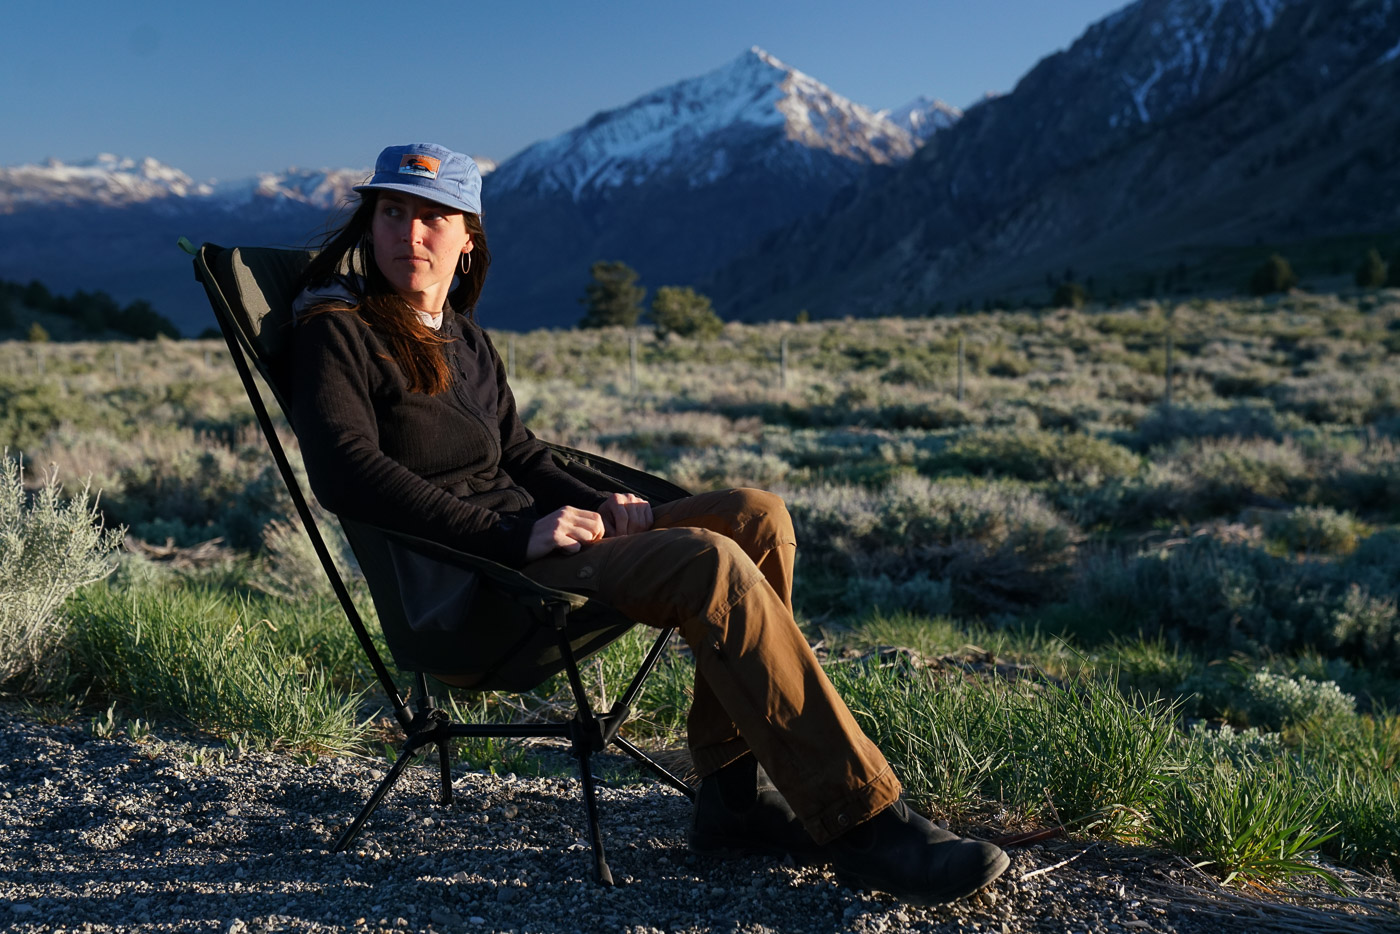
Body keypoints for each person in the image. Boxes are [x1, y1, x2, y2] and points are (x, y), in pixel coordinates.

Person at [289, 142, 1009, 905]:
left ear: (469, 239)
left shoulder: (464, 337)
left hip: (540, 540)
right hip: (482, 584)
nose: (410, 232)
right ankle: (866, 821)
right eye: (393, 212)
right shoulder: (337, 331)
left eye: (434, 216)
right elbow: (346, 474)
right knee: (709, 562)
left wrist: (599, 505)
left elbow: (522, 453)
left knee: (755, 516)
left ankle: (731, 800)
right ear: (370, 226)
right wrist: (511, 538)